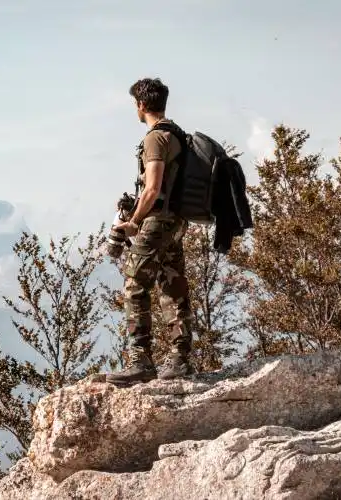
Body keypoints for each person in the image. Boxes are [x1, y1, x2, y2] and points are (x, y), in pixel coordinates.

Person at [106, 77, 194, 386]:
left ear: (141, 105)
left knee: (135, 282)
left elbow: (154, 187)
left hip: (157, 221)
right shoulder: (177, 135)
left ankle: (139, 361)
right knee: (173, 285)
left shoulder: (156, 138)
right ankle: (181, 359)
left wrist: (133, 220)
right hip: (176, 221)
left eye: (135, 104)